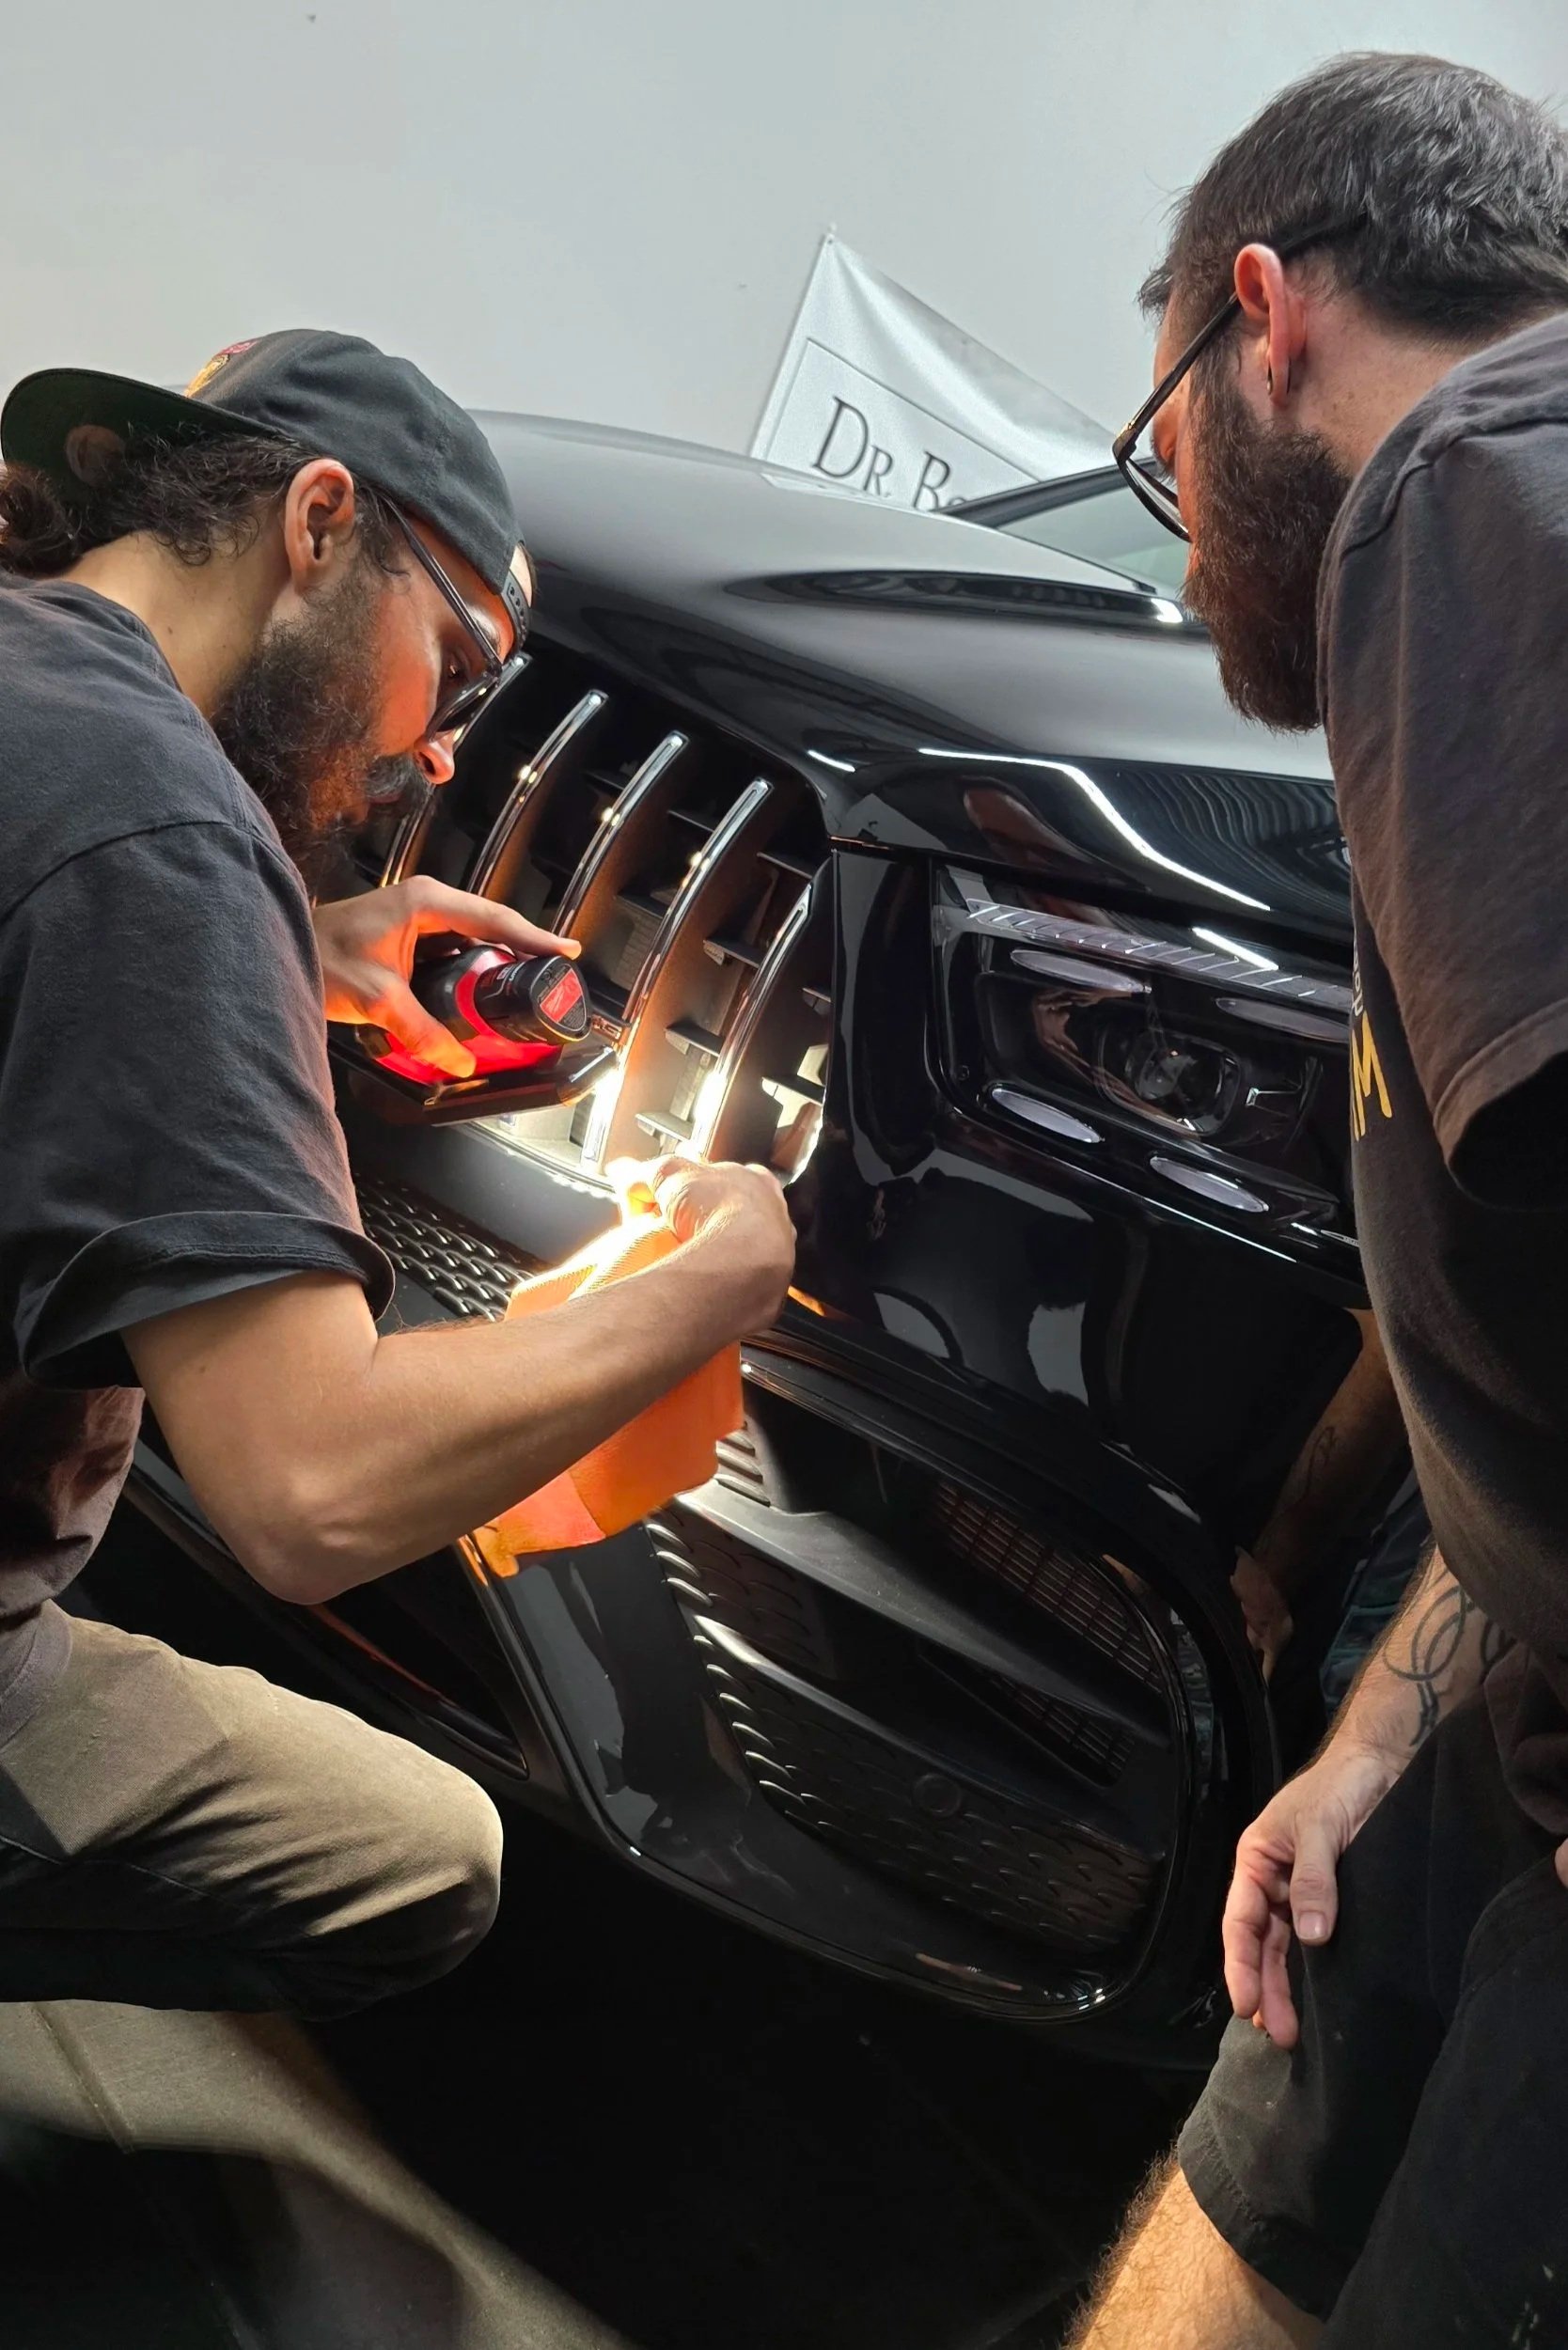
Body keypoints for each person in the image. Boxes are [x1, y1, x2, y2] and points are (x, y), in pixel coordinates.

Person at [0, 330, 794, 2019]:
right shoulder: (169, 844)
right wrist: (709, 1288)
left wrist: (281, 955)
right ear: (317, 521)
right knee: (424, 1856)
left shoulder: (43, 672)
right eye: (463, 659)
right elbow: (309, 1492)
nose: (443, 751)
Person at [1069, 54, 1568, 2349]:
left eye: (1159, 448)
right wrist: (1373, 1744)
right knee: (1248, 2183)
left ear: (1262, 319)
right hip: (1509, 1703)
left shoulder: (1460, 484)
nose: (1182, 545)